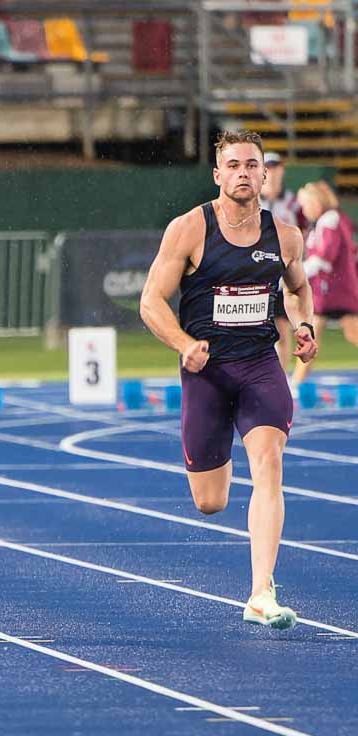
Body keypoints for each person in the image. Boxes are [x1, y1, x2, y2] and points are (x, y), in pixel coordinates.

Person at [140, 129, 318, 629]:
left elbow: (298, 290)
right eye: (234, 165)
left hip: (260, 364)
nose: (243, 173)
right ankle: (221, 455)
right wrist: (184, 345)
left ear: (265, 175)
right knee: (210, 501)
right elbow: (150, 302)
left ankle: (261, 592)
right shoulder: (189, 229)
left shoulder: (285, 236)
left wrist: (304, 326)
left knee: (269, 462)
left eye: (252, 165)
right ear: (218, 174)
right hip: (207, 371)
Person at [291, 179, 358, 384]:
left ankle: (297, 382)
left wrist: (295, 274)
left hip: (336, 291)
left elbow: (324, 257)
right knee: (312, 335)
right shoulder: (328, 221)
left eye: (306, 205)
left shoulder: (330, 220)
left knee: (345, 332)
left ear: (316, 203)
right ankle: (297, 381)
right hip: (329, 291)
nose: (304, 210)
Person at [260, 152, 307, 362]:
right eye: (268, 168)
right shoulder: (251, 200)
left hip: (282, 273)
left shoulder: (292, 203)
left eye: (275, 167)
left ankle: (281, 373)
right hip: (256, 271)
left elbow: (305, 231)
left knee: (281, 326)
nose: (272, 173)